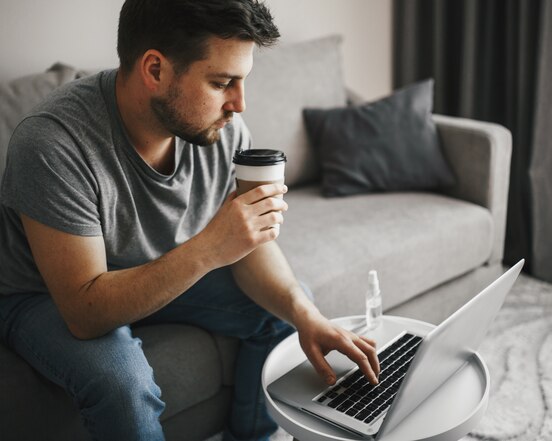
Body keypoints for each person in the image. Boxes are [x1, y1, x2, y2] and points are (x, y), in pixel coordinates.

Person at [0, 0, 381, 440]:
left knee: (289, 310)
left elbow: (247, 247)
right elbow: (85, 311)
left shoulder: (222, 131)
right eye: (222, 83)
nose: (239, 103)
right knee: (122, 383)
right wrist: (210, 248)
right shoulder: (53, 143)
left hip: (158, 261)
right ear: (156, 70)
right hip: (46, 294)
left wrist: (305, 314)